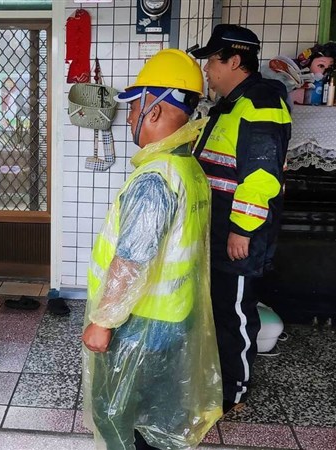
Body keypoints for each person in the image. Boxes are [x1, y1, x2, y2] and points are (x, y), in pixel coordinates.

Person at [81, 49, 222, 450]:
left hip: (139, 324)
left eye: (133, 107)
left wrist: (103, 322)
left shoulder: (155, 179)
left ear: (155, 110)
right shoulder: (189, 169)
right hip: (175, 317)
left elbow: (132, 259)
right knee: (154, 420)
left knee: (116, 416)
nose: (129, 117)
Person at [190, 24, 292, 412]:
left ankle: (234, 390)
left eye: (212, 61)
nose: (206, 70)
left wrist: (242, 229)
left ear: (235, 60)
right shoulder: (231, 102)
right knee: (217, 308)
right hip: (218, 228)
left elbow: (262, 176)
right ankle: (217, 378)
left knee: (234, 313)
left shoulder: (261, 102)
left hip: (237, 233)